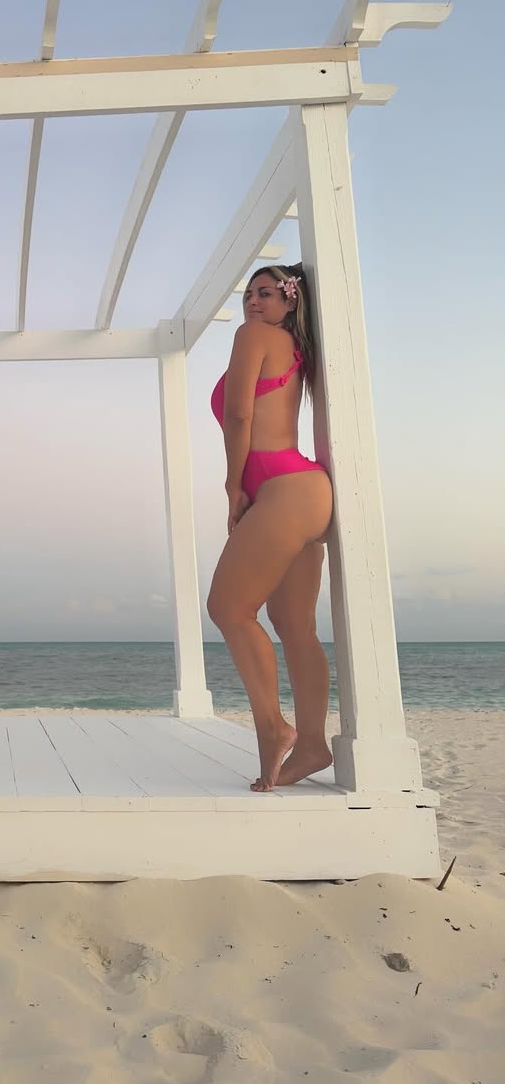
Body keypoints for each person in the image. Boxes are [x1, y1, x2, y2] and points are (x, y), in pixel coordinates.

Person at [205, 263, 335, 792]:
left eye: (266, 292)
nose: (253, 302)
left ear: (290, 301)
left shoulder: (253, 336)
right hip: (307, 492)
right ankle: (313, 745)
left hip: (283, 490)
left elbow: (240, 416)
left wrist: (232, 486)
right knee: (294, 625)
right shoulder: (293, 347)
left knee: (228, 608)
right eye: (249, 295)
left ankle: (273, 728)